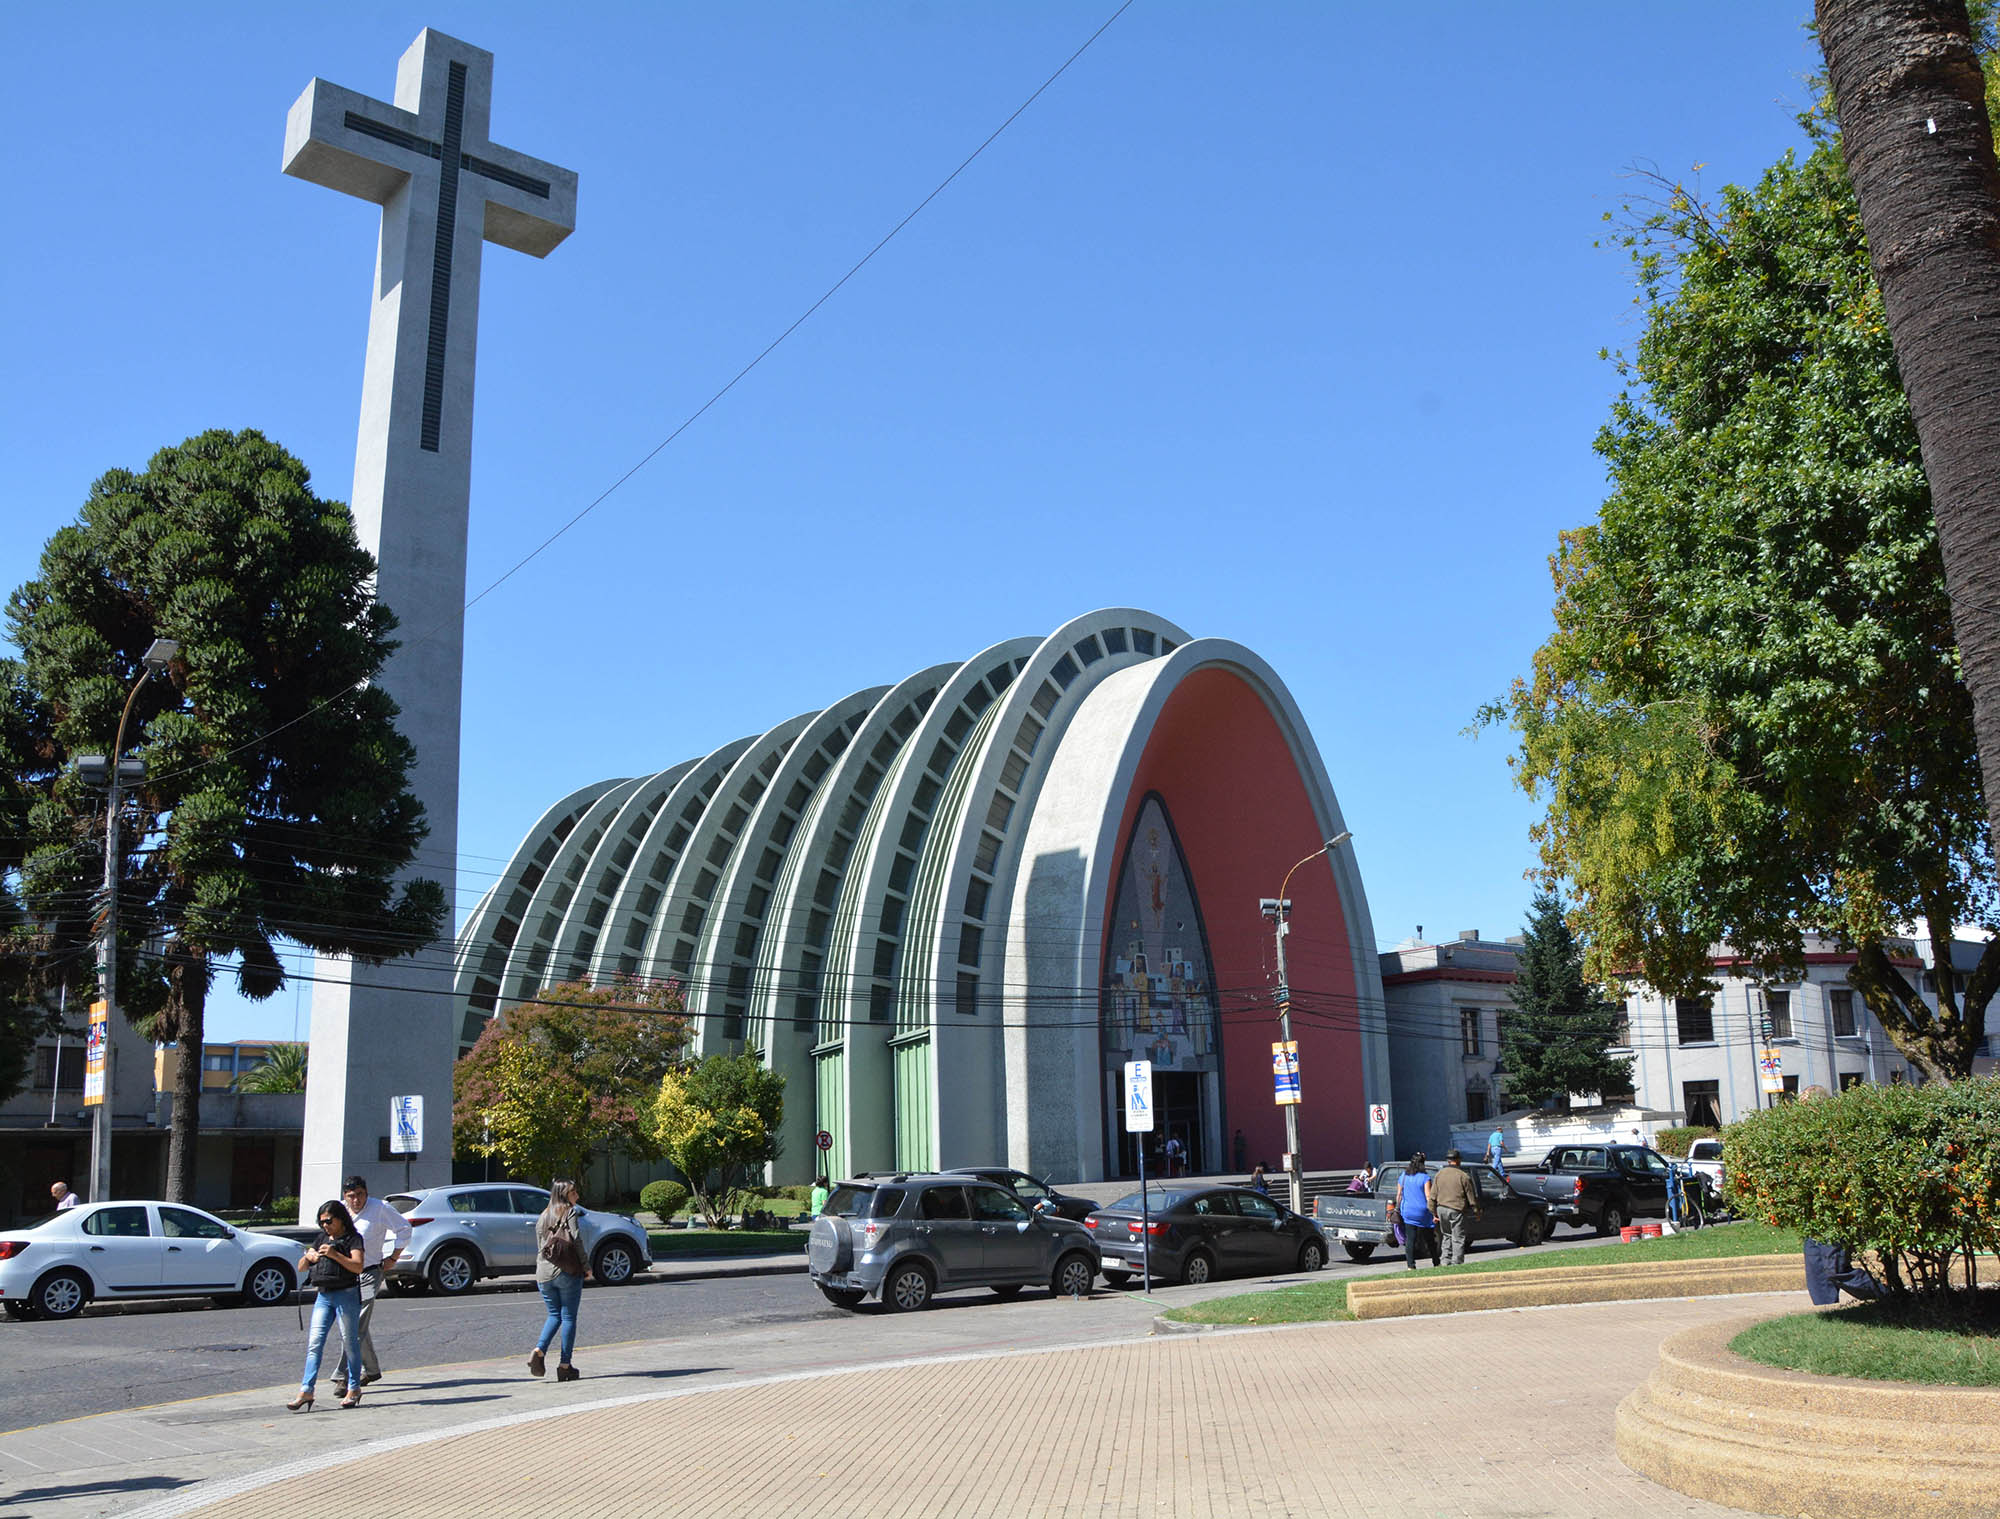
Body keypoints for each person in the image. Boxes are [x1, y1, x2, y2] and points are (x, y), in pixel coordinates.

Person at [332, 1174, 411, 1399]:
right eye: (351, 1196)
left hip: (369, 1273)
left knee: (354, 1324)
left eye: (360, 1195)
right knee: (356, 1325)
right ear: (344, 1197)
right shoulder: (340, 1211)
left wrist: (393, 1257)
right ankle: (372, 1370)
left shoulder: (379, 1208)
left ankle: (342, 1376)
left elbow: (404, 1229)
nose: (356, 1200)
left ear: (366, 1193)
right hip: (345, 1275)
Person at [290, 1199, 366, 1410]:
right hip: (324, 1296)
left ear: (341, 1219)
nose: (325, 1226)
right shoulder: (321, 1238)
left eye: (329, 1221)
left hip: (346, 1295)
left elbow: (358, 1266)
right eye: (322, 1222)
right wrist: (309, 1256)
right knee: (315, 1343)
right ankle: (306, 1390)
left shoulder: (353, 1239)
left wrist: (335, 1255)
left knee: (349, 1343)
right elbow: (302, 1267)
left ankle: (354, 1388)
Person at [529, 1178, 591, 1382]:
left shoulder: (543, 1215)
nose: (577, 1196)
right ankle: (565, 1365)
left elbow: (541, 1247)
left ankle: (539, 1349)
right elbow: (576, 1239)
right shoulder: (569, 1212)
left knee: (554, 1314)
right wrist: (586, 1266)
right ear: (564, 1195)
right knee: (569, 1317)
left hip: (543, 1274)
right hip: (567, 1270)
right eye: (574, 1192)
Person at [1430, 1149, 1483, 1265]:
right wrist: (1476, 1211)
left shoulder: (1439, 1174)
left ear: (1448, 1161)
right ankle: (1457, 1262)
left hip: (1441, 1208)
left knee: (1446, 1235)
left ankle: (1445, 1260)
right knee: (1458, 1237)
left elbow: (1432, 1195)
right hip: (1456, 1209)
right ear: (1458, 1160)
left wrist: (1433, 1212)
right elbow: (1471, 1197)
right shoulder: (1463, 1176)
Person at [1397, 1152, 1439, 1269]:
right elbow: (1428, 1196)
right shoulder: (1425, 1178)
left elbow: (1399, 1195)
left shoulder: (1403, 1176)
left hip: (1408, 1211)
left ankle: (1411, 1265)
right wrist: (1434, 1213)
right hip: (1422, 1212)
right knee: (1429, 1238)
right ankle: (1436, 1261)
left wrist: (1398, 1209)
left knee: (1410, 1239)